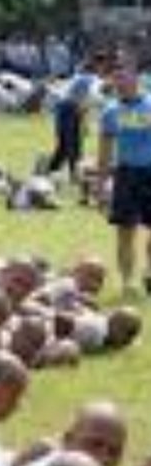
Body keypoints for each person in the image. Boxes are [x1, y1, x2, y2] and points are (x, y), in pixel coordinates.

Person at [97, 55, 151, 297]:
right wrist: (101, 183)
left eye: (124, 76)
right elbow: (105, 150)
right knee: (125, 232)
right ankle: (128, 281)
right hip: (126, 174)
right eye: (116, 78)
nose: (119, 82)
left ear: (136, 77)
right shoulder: (110, 111)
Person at [49, 51, 105, 181]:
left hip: (64, 109)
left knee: (64, 145)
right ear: (98, 64)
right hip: (70, 110)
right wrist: (85, 123)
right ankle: (76, 174)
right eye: (103, 65)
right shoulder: (91, 78)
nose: (103, 68)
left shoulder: (81, 74)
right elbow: (88, 101)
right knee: (73, 144)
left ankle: (52, 170)